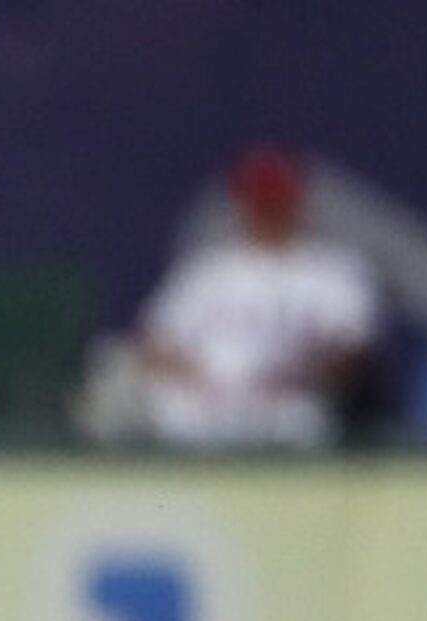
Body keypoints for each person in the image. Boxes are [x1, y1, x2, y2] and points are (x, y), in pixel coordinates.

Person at [130, 145, 382, 448]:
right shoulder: (208, 269)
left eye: (274, 201)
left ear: (296, 203)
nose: (265, 211)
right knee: (172, 412)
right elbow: (155, 344)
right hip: (204, 403)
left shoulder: (333, 270)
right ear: (241, 204)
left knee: (299, 421)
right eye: (257, 201)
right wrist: (203, 381)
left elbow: (352, 350)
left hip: (289, 403)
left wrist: (293, 378)